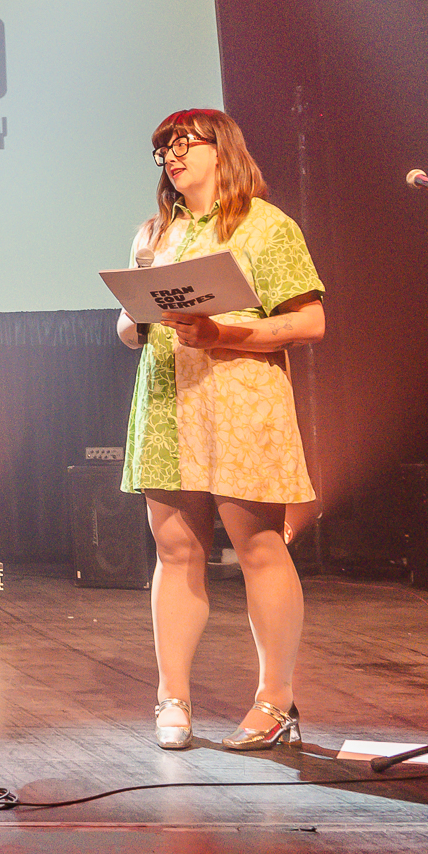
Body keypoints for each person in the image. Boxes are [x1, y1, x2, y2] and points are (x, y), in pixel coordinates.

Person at [115, 109, 325, 752]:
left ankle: (275, 701)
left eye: (184, 142)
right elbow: (127, 328)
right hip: (167, 400)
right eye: (163, 149)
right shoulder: (155, 233)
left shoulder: (265, 225)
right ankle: (172, 699)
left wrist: (222, 332)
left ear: (221, 149)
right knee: (175, 550)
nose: (172, 156)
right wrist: (136, 319)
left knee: (257, 545)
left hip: (242, 399)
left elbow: (309, 321)